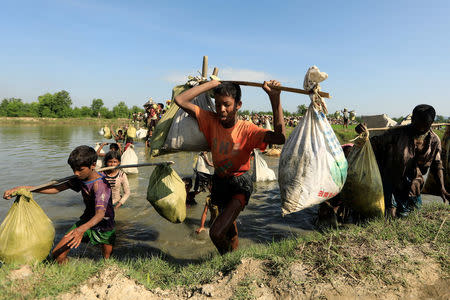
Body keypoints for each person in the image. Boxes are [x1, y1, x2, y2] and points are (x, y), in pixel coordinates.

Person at [174, 79, 286, 254]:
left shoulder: (247, 129)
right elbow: (180, 100)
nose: (221, 110)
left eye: (227, 104)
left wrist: (275, 98)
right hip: (219, 182)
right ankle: (235, 259)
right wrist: (211, 85)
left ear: (238, 105)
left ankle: (228, 262)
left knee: (216, 232)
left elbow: (280, 138)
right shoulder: (210, 120)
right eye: (217, 104)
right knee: (230, 231)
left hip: (239, 184)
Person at [3, 145, 115, 264]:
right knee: (57, 255)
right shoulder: (80, 178)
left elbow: (100, 214)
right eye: (73, 169)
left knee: (106, 261)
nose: (75, 173)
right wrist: (23, 188)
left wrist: (80, 230)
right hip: (86, 220)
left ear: (93, 165)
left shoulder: (101, 185)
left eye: (80, 169)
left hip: (104, 225)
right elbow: (55, 189)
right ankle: (70, 274)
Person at [356, 104, 450, 218]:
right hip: (390, 183)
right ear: (413, 119)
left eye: (425, 126)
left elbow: (437, 164)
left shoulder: (434, 140)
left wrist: (442, 187)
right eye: (417, 125)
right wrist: (362, 133)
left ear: (430, 124)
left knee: (413, 217)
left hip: (414, 185)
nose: (420, 129)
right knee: (390, 215)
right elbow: (373, 144)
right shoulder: (395, 134)